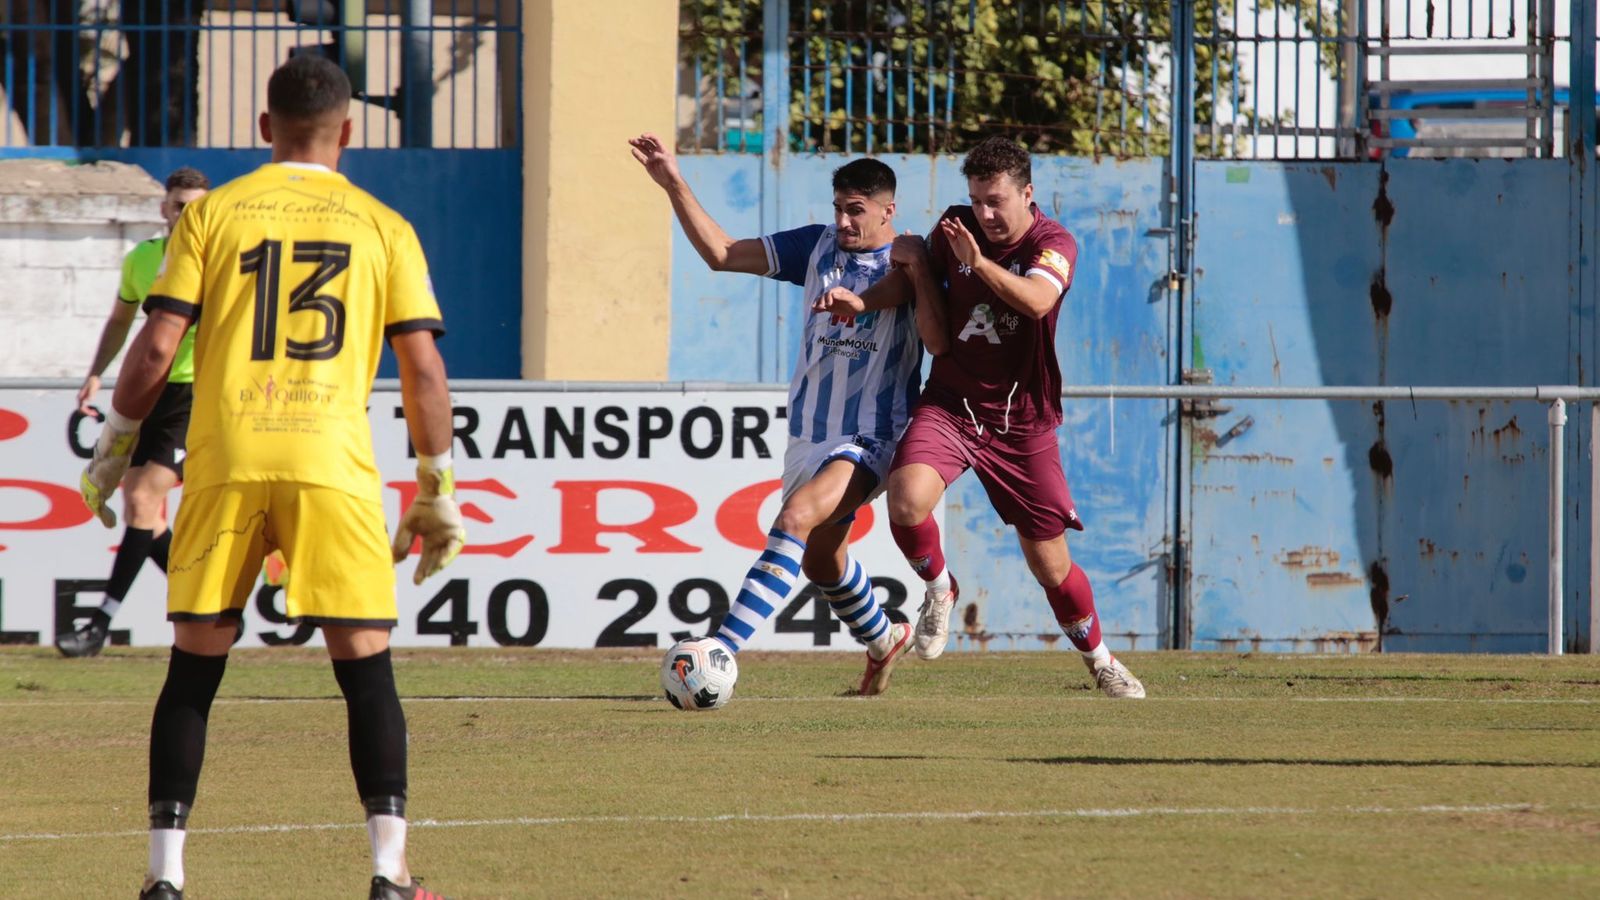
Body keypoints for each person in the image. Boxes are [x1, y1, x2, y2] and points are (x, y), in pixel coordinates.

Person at [79, 56, 464, 899]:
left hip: (228, 460)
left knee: (193, 669)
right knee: (366, 669)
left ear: (263, 128)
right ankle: (387, 874)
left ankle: (164, 880)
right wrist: (436, 487)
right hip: (329, 466)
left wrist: (113, 446)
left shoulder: (212, 214)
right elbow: (424, 372)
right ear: (349, 132)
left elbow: (154, 348)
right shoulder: (383, 225)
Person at [839, 136, 1145, 698]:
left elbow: (1036, 301)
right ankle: (939, 588)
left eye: (995, 201)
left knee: (1051, 566)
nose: (984, 213)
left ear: (1027, 194)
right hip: (952, 404)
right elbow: (910, 280)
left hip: (1022, 422)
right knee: (905, 500)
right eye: (977, 200)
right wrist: (862, 302)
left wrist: (977, 263)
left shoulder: (1054, 242)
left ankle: (1100, 660)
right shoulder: (957, 228)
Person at [629, 132, 922, 695]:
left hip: (874, 434)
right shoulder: (814, 248)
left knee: (794, 517)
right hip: (809, 435)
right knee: (821, 563)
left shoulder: (911, 260)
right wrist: (674, 182)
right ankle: (885, 639)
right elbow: (721, 254)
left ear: (889, 210)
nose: (842, 220)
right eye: (838, 207)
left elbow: (921, 306)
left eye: (855, 210)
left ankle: (719, 652)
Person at [59, 167, 210, 658]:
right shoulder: (142, 260)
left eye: (195, 206)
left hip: (195, 395)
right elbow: (121, 320)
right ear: (163, 208)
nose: (185, 214)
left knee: (144, 501)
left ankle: (99, 626)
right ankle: (211, 607)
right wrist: (97, 372)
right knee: (143, 516)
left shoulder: (220, 261)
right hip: (145, 391)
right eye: (178, 205)